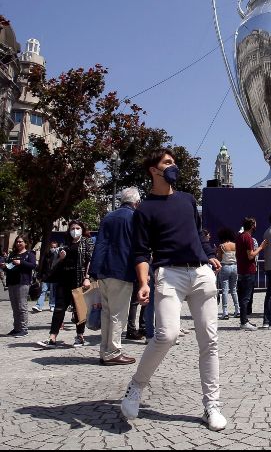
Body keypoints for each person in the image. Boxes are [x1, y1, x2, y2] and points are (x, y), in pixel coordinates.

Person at [119, 148, 226, 432]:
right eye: (167, 162)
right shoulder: (144, 210)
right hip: (169, 273)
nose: (173, 166)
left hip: (201, 272)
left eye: (173, 162)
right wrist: (143, 282)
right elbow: (141, 252)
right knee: (167, 335)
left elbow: (198, 231)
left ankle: (211, 405)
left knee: (210, 340)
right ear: (154, 170)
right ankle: (136, 387)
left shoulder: (188, 200)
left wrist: (208, 252)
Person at [88, 187, 141, 366]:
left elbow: (101, 243)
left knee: (107, 312)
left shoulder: (108, 216)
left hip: (103, 270)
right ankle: (113, 352)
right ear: (136, 202)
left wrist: (94, 270)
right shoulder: (134, 218)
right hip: (122, 270)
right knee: (119, 313)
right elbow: (136, 247)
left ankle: (105, 350)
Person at [37, 220, 94, 348]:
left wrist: (87, 277)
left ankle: (80, 336)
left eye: (78, 227)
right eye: (72, 228)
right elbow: (56, 261)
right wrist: (60, 258)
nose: (75, 230)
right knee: (59, 308)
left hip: (79, 279)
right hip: (64, 279)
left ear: (82, 229)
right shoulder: (66, 243)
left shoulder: (86, 242)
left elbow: (90, 260)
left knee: (79, 309)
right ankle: (52, 337)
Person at [1, 235, 36, 337]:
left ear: (25, 243)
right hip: (12, 282)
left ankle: (24, 329)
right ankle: (16, 328)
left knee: (22, 306)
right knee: (15, 307)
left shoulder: (29, 254)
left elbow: (33, 265)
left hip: (23, 282)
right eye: (17, 242)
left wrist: (21, 262)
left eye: (21, 242)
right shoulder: (12, 254)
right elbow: (9, 267)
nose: (18, 243)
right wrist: (4, 267)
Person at [235, 217, 265, 331]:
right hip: (248, 270)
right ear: (252, 225)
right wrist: (261, 247)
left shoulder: (240, 236)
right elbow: (251, 255)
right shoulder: (247, 237)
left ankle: (245, 320)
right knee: (246, 298)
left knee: (243, 297)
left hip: (242, 270)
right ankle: (244, 321)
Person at [216, 227, 240, 320]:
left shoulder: (222, 246)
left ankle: (225, 312)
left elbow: (219, 259)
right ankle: (237, 310)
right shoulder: (235, 245)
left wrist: (216, 252)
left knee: (225, 290)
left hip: (225, 266)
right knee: (234, 289)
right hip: (234, 266)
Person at [32, 241, 60, 313]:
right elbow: (43, 266)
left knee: (53, 292)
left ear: (57, 247)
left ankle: (52, 305)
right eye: (52, 247)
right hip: (46, 276)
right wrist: (40, 275)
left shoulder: (59, 256)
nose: (53, 248)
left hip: (54, 276)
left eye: (55, 247)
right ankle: (39, 306)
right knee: (43, 291)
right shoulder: (47, 255)